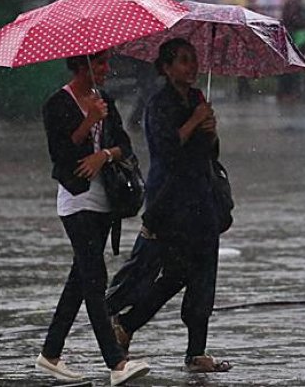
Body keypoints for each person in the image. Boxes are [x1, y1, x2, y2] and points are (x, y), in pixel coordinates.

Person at [110, 38, 232, 373]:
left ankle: (196, 352)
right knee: (175, 272)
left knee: (204, 275)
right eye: (182, 60)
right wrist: (194, 121)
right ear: (165, 67)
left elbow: (208, 153)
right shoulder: (158, 104)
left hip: (203, 201)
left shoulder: (197, 99)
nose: (191, 67)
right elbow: (166, 150)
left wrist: (211, 129)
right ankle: (126, 322)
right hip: (171, 202)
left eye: (193, 60)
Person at [37, 50, 150, 386]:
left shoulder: (105, 100)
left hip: (105, 201)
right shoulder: (57, 104)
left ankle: (50, 353)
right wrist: (87, 121)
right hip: (76, 200)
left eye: (105, 62)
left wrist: (103, 154)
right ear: (80, 65)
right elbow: (60, 154)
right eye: (99, 63)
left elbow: (124, 146)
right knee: (94, 279)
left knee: (79, 281)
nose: (106, 69)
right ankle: (116, 363)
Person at [277, 0, 305, 100]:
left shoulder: (291, 0)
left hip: (287, 35)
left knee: (287, 65)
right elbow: (293, 19)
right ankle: (287, 92)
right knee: (291, 65)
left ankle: (284, 92)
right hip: (291, 36)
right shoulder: (294, 2)